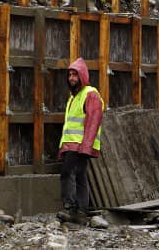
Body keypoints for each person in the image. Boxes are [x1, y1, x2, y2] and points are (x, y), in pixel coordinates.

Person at [57, 57, 105, 224]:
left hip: (78, 145)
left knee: (68, 173)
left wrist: (86, 146)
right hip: (73, 144)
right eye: (70, 75)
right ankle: (81, 211)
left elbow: (93, 121)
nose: (71, 78)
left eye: (75, 75)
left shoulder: (90, 94)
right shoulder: (73, 97)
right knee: (79, 175)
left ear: (82, 76)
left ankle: (70, 208)